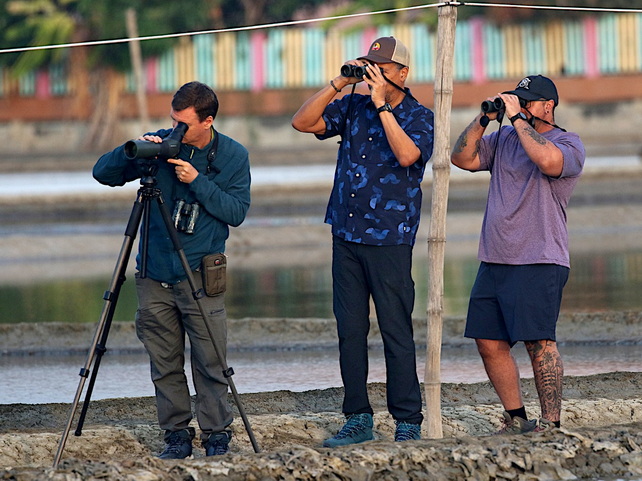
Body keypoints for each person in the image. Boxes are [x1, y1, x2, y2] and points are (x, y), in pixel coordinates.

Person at [93, 81, 251, 458]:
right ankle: (176, 435)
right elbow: (103, 173)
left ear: (208, 120)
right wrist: (136, 150)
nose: (175, 130)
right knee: (164, 362)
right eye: (172, 121)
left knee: (211, 360)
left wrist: (197, 182)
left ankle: (216, 435)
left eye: (183, 124)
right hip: (153, 271)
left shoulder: (232, 155)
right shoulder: (161, 147)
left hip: (200, 271)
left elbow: (236, 212)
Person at [291, 36, 434, 446]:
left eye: (381, 69)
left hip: (389, 238)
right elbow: (303, 123)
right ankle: (357, 417)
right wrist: (340, 82)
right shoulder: (351, 105)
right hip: (346, 233)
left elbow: (408, 156)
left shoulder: (419, 115)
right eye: (368, 66)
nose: (372, 73)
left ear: (402, 74)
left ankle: (408, 419)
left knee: (395, 330)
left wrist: (383, 105)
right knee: (350, 330)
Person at [451, 75, 585, 434]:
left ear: (547, 106)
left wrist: (517, 119)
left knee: (539, 341)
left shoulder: (568, 142)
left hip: (539, 258)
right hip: (495, 257)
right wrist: (484, 119)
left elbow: (548, 161)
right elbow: (461, 158)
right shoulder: (505, 137)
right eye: (517, 100)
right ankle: (516, 418)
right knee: (488, 341)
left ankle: (551, 423)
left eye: (526, 101)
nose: (519, 106)